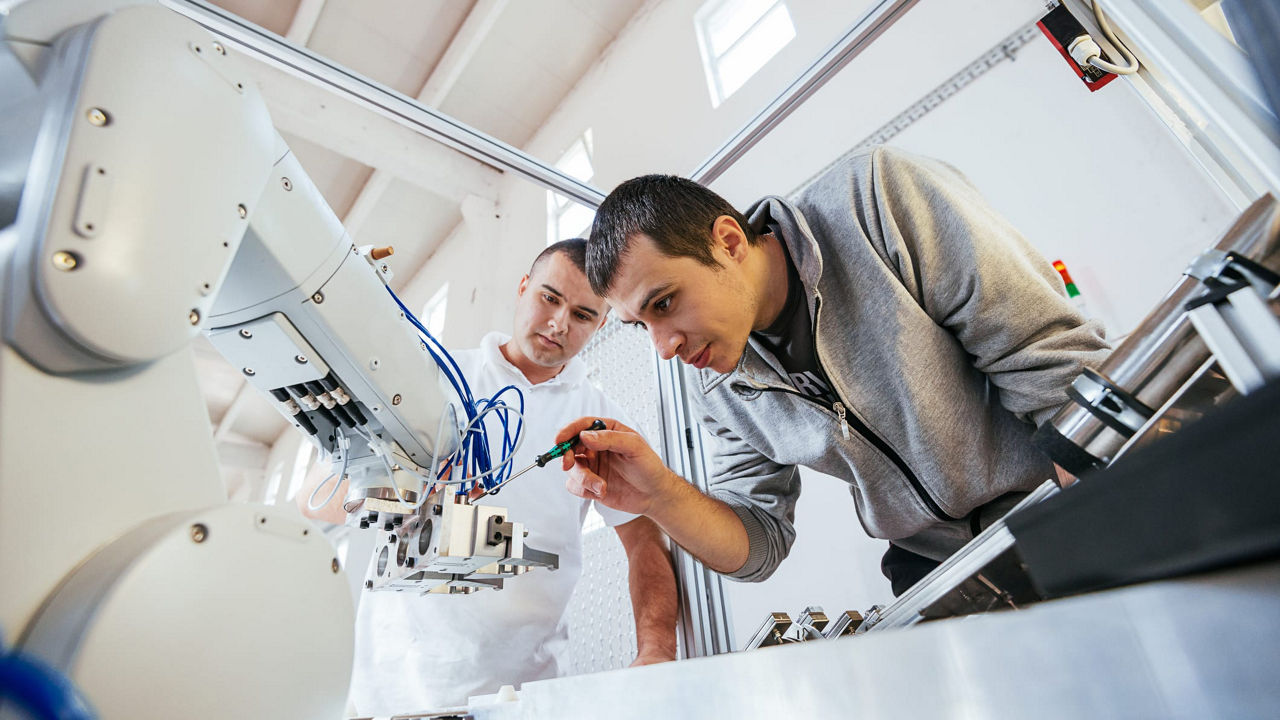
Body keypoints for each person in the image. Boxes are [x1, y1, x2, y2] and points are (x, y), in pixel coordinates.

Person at [553, 146, 1111, 596]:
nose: (664, 348)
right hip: (936, 566)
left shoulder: (876, 200)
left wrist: (1096, 534)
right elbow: (760, 541)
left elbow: (1048, 363)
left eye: (665, 303)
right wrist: (658, 496)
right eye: (638, 325)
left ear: (727, 242)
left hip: (1059, 501)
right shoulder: (717, 386)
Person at [300, 239, 678, 713]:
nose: (560, 323)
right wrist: (406, 489)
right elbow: (314, 499)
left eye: (583, 315)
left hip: (519, 694)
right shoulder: (431, 378)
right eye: (550, 297)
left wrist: (658, 651)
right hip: (390, 687)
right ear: (523, 287)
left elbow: (645, 542)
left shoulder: (601, 423)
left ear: (601, 323)